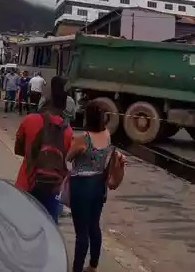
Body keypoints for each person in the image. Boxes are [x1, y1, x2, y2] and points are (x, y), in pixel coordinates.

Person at [66, 102, 118, 272]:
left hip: (81, 184)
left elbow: (69, 157)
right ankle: (93, 265)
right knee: (94, 225)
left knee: (81, 231)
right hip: (98, 184)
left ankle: (77, 268)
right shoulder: (107, 134)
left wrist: (76, 149)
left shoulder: (83, 138)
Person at [14, 84, 73, 222]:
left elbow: (18, 150)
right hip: (53, 188)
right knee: (49, 230)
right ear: (64, 107)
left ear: (46, 101)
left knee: (22, 226)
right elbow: (67, 161)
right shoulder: (68, 131)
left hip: (26, 183)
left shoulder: (29, 120)